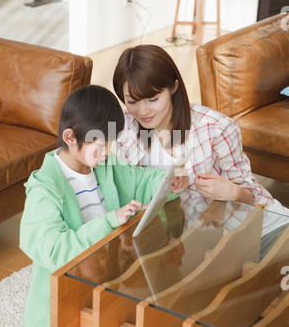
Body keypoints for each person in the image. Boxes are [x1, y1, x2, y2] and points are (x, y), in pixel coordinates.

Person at [19, 85, 181, 327]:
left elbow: (143, 181)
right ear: (70, 137)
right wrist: (109, 221)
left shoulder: (105, 165)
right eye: (100, 144)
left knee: (161, 316)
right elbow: (54, 251)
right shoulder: (44, 189)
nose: (107, 151)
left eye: (112, 142)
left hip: (109, 279)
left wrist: (170, 181)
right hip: (66, 300)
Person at [113, 44, 289, 236]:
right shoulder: (124, 127)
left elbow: (250, 195)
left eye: (153, 99)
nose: (143, 111)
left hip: (251, 227)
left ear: (174, 87)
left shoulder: (217, 128)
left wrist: (233, 192)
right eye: (132, 101)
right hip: (191, 240)